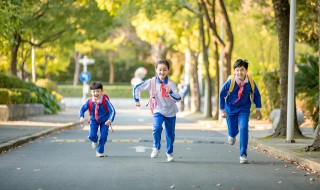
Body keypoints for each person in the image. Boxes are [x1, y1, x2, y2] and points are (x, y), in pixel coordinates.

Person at [133, 59, 181, 162]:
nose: (162, 72)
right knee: (157, 128)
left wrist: (171, 92)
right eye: (160, 70)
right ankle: (156, 147)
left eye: (164, 70)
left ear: (168, 70)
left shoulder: (171, 84)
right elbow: (136, 88)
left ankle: (169, 152)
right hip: (158, 110)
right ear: (156, 70)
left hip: (170, 112)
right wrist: (137, 100)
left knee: (170, 134)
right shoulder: (152, 82)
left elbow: (178, 98)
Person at [219, 59, 262, 164]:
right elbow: (221, 94)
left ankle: (243, 154)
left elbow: (257, 95)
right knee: (232, 131)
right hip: (231, 109)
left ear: (246, 71)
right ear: (234, 71)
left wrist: (258, 109)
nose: (239, 72)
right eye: (237, 70)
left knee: (243, 128)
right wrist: (222, 110)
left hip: (244, 109)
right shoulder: (230, 82)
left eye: (242, 70)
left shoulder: (250, 83)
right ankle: (232, 135)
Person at [79, 81, 116, 157]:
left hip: (105, 121)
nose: (95, 93)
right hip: (94, 120)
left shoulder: (105, 101)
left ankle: (100, 151)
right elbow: (82, 108)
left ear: (102, 91)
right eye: (93, 91)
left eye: (98, 91)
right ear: (91, 92)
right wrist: (81, 117)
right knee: (91, 136)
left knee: (103, 136)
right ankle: (95, 140)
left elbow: (112, 111)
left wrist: (109, 120)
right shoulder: (89, 101)